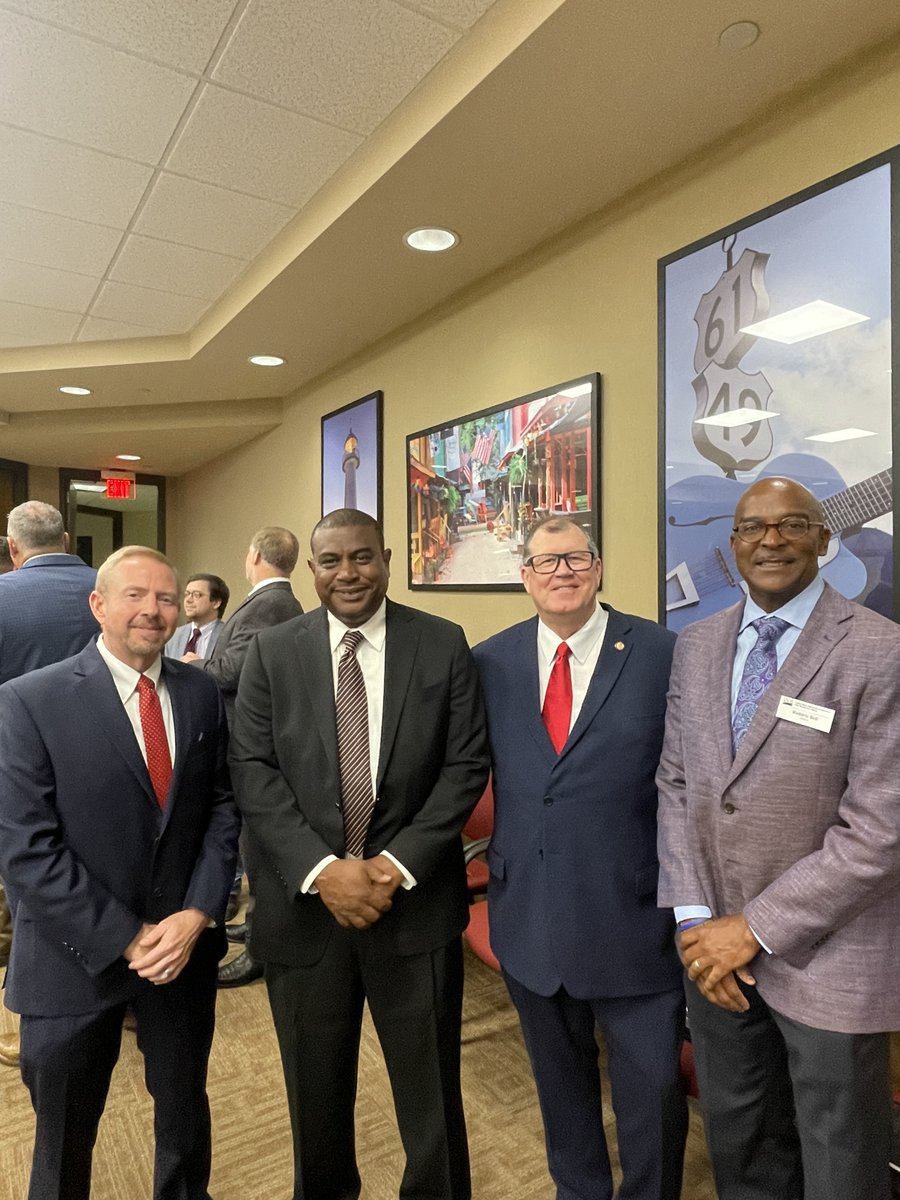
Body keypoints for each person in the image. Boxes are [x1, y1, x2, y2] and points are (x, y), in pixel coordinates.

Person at [229, 507, 490, 1200]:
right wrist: (324, 872)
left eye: (362, 556)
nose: (348, 573)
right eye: (331, 560)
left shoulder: (441, 642)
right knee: (313, 1093)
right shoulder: (273, 651)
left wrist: (392, 866)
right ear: (311, 570)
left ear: (388, 560)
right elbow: (252, 768)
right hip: (304, 913)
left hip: (414, 906)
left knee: (431, 1096)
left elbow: (465, 765)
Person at [657, 476, 900, 1200]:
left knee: (840, 1164)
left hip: (831, 955)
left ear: (824, 540)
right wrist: (695, 922)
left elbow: (880, 831)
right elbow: (676, 785)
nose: (771, 540)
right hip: (714, 957)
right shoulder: (696, 645)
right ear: (732, 543)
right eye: (752, 527)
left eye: (792, 524)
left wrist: (753, 928)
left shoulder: (880, 650)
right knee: (742, 1148)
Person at [0, 545, 239, 1200]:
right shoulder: (28, 701)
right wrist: (128, 937)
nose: (152, 610)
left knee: (184, 1114)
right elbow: (26, 850)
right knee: (63, 1138)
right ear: (98, 604)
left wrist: (198, 913)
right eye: (135, 595)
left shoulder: (200, 692)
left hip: (182, 954)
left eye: (165, 598)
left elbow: (221, 807)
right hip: (74, 959)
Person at [473, 516, 687, 1200]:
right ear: (525, 577)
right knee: (561, 1091)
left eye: (575, 558)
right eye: (546, 562)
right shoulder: (491, 662)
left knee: (652, 1094)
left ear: (597, 568)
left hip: (635, 916)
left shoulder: (662, 653)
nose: (561, 572)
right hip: (529, 915)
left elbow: (692, 781)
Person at [0, 500, 100, 1070]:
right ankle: (125, 995)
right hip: (115, 757)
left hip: (21, 769)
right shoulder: (112, 588)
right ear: (65, 540)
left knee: (32, 884)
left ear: (14, 548)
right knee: (114, 871)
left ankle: (36, 1020)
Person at [186, 527, 303, 986]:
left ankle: (261, 948)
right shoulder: (274, 601)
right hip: (254, 739)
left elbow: (237, 670)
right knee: (252, 847)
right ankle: (256, 925)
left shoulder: (270, 603)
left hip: (255, 743)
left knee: (259, 849)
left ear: (254, 555)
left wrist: (197, 667)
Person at [164, 572, 229, 659]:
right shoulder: (174, 635)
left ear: (216, 603)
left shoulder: (229, 637)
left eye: (196, 595)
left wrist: (200, 664)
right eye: (187, 594)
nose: (188, 600)